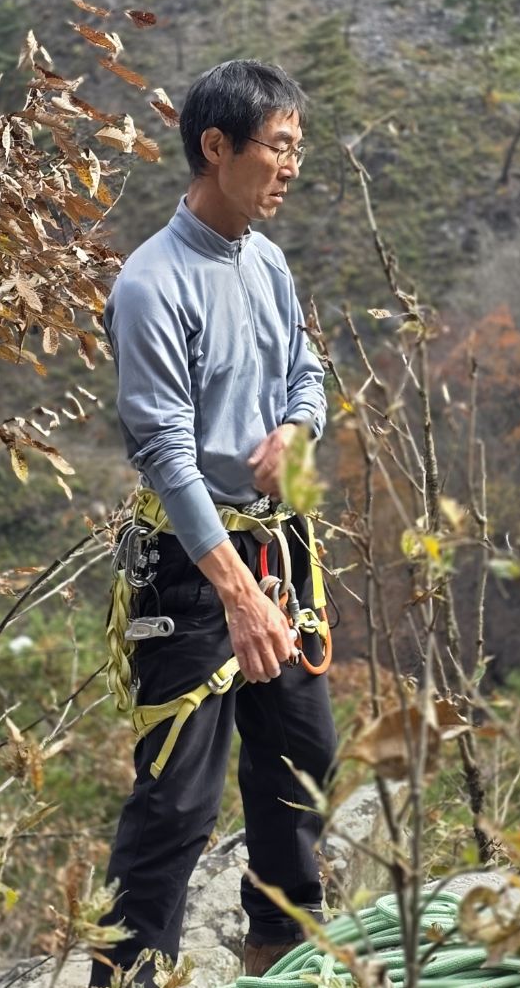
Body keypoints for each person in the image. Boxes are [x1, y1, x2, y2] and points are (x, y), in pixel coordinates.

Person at [95, 59, 337, 985]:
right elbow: (164, 452)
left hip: (276, 545)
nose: (291, 166)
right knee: (178, 800)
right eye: (279, 147)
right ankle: (129, 976)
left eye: (297, 148)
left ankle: (281, 946)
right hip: (190, 567)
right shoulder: (152, 284)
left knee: (302, 755)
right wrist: (237, 595)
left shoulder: (267, 261)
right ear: (216, 146)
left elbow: (307, 371)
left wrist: (297, 431)